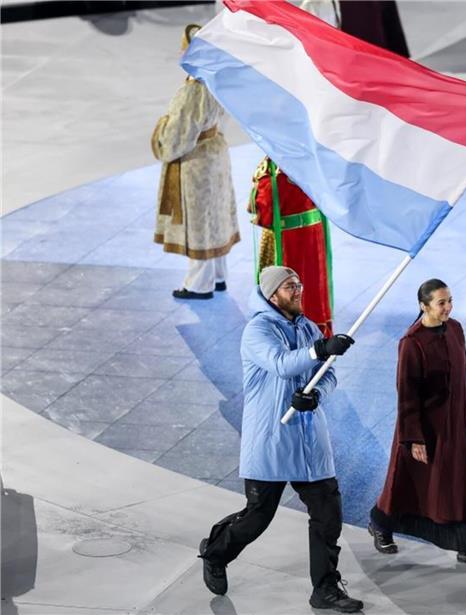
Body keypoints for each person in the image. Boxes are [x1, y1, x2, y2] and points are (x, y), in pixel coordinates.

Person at [197, 266, 363, 613]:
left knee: (328, 513)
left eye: (299, 284)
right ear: (272, 296)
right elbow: (281, 363)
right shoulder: (257, 330)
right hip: (271, 437)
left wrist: (316, 395)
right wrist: (320, 348)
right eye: (290, 286)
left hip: (309, 439)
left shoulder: (307, 327)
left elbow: (328, 374)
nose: (298, 290)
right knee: (258, 516)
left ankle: (325, 588)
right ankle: (215, 553)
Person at [368, 279, 466, 565]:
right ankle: (380, 523)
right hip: (426, 430)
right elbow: (407, 393)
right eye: (441, 303)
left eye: (450, 301)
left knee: (462, 482)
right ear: (424, 306)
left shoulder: (455, 329)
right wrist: (413, 438)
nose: (448, 307)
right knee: (407, 484)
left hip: (457, 424)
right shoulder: (412, 343)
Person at [152, 24, 240, 300]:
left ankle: (198, 285)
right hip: (215, 153)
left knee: (199, 222)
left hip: (196, 162)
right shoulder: (216, 78)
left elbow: (178, 135)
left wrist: (161, 136)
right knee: (216, 218)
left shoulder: (192, 89)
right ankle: (219, 276)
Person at [249, 156, 334, 337]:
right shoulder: (311, 156)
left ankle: (292, 335)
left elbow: (265, 207)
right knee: (313, 283)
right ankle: (318, 331)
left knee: (286, 285)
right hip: (315, 232)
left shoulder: (273, 167)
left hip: (287, 237)